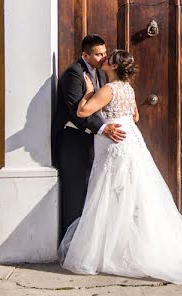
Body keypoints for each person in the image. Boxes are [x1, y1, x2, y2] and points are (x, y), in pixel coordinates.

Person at [59, 49, 182, 285]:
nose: (104, 59)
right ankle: (122, 245)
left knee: (111, 192)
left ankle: (111, 249)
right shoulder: (128, 89)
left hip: (115, 144)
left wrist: (90, 91)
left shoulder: (108, 89)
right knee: (130, 192)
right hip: (130, 138)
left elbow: (83, 111)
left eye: (108, 58)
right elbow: (134, 117)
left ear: (113, 66)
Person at [52, 34, 127, 238]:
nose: (104, 57)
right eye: (98, 54)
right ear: (85, 54)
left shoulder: (102, 73)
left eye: (105, 52)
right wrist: (104, 128)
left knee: (91, 190)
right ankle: (71, 242)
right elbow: (77, 111)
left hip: (91, 141)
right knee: (75, 191)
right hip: (73, 140)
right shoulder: (73, 74)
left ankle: (89, 239)